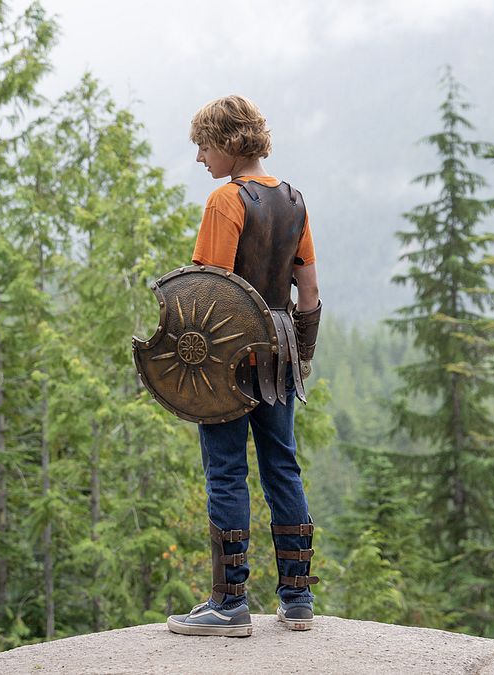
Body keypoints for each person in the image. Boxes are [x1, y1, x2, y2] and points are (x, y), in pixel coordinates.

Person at [166, 95, 322, 637]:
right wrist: (300, 356)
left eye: (204, 146)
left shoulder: (225, 202)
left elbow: (206, 293)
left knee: (227, 469)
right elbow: (309, 290)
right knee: (283, 465)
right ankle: (297, 597)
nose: (201, 158)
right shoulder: (294, 200)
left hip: (228, 356)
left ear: (230, 142)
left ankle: (229, 605)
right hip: (278, 351)